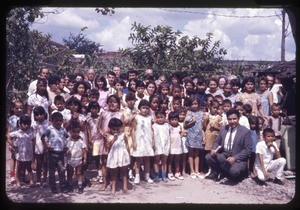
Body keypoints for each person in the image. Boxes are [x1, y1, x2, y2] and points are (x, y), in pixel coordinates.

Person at [205, 109, 252, 183]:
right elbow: (217, 141)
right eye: (230, 119)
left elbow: (248, 149)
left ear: (238, 118)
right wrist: (213, 149)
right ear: (227, 119)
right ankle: (219, 172)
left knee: (234, 171)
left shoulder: (245, 131)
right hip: (225, 155)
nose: (232, 121)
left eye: (234, 119)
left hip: (238, 158)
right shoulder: (224, 129)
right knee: (208, 157)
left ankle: (232, 174)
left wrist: (235, 158)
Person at [98, 94, 124, 190]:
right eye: (110, 102)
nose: (112, 104)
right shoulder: (104, 113)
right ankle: (104, 182)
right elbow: (99, 126)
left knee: (115, 161)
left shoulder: (120, 114)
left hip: (116, 141)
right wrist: (103, 134)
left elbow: (121, 127)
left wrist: (115, 135)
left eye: (114, 102)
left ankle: (115, 182)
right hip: (105, 140)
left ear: (118, 104)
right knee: (104, 162)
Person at [41, 112, 69, 193]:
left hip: (60, 153)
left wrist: (67, 148)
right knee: (52, 170)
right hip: (52, 153)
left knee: (62, 170)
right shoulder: (49, 129)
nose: (58, 122)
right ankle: (53, 186)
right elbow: (42, 137)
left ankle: (63, 186)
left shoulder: (63, 129)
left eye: (60, 120)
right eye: (56, 120)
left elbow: (67, 138)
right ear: (52, 121)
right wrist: (46, 145)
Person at [7, 115, 35, 189]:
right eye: (24, 124)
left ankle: (31, 181)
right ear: (20, 123)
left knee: (29, 168)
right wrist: (13, 146)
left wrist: (33, 150)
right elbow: (8, 138)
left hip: (29, 154)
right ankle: (18, 182)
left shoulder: (31, 132)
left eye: (28, 124)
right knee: (19, 168)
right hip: (20, 154)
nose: (26, 126)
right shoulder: (17, 133)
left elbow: (33, 141)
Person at [131, 99, 155, 184]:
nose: (145, 110)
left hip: (147, 140)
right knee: (138, 159)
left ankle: (147, 176)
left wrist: (152, 140)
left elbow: (152, 130)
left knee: (147, 159)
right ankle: (137, 176)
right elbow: (133, 130)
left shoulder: (150, 118)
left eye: (147, 108)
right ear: (139, 108)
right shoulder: (136, 117)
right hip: (139, 140)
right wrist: (134, 141)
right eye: (143, 108)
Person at [106, 118, 131, 196]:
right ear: (110, 128)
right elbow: (108, 146)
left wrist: (128, 155)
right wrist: (114, 138)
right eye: (114, 129)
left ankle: (125, 187)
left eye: (117, 129)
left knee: (124, 172)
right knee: (114, 173)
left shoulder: (123, 134)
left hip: (122, 155)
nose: (116, 131)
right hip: (114, 156)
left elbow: (127, 145)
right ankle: (113, 188)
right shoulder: (109, 136)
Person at [183, 96, 205, 179]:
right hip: (191, 135)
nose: (194, 106)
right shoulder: (188, 112)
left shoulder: (201, 113)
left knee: (197, 154)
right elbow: (185, 125)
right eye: (192, 104)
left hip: (198, 135)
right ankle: (192, 171)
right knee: (191, 153)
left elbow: (202, 127)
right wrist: (192, 121)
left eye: (196, 104)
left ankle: (197, 171)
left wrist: (204, 137)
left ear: (198, 104)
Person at [65, 120, 87, 194]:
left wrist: (85, 159)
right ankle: (69, 185)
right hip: (70, 160)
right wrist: (67, 151)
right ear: (70, 131)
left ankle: (80, 186)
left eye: (77, 132)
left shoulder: (81, 141)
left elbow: (84, 150)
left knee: (79, 173)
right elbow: (65, 149)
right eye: (73, 132)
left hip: (79, 160)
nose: (75, 134)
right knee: (69, 173)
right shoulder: (67, 140)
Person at [31, 106, 50, 187]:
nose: (39, 116)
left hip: (46, 145)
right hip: (38, 145)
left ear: (44, 114)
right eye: (37, 115)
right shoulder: (34, 124)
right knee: (38, 163)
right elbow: (33, 137)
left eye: (41, 114)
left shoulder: (48, 123)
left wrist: (48, 145)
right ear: (34, 116)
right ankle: (38, 179)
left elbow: (49, 135)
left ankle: (45, 179)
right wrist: (33, 147)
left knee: (45, 163)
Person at [6, 99, 24, 184]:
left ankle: (21, 175)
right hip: (14, 142)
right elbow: (9, 132)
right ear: (13, 109)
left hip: (23, 142)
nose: (19, 110)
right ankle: (12, 176)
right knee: (13, 158)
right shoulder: (11, 119)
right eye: (17, 108)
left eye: (21, 108)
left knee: (23, 158)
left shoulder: (24, 117)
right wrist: (10, 143)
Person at [86, 101, 102, 183]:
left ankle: (103, 174)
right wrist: (89, 140)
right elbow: (88, 130)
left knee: (102, 157)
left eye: (96, 108)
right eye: (92, 108)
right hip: (94, 140)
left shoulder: (101, 117)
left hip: (101, 139)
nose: (94, 110)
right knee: (96, 157)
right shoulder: (88, 118)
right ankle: (99, 172)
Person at [152, 109, 170, 182]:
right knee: (156, 160)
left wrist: (169, 146)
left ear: (165, 117)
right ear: (156, 118)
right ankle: (157, 174)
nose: (160, 119)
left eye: (162, 117)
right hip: (157, 145)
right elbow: (153, 136)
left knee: (164, 161)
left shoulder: (167, 125)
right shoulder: (154, 126)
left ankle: (164, 175)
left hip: (165, 144)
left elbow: (169, 135)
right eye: (158, 117)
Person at [168, 111, 184, 181]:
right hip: (171, 146)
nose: (174, 121)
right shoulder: (168, 127)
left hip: (178, 146)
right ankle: (169, 172)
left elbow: (181, 134)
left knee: (177, 159)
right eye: (172, 119)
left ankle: (177, 172)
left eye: (175, 119)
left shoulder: (179, 126)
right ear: (169, 120)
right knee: (170, 160)